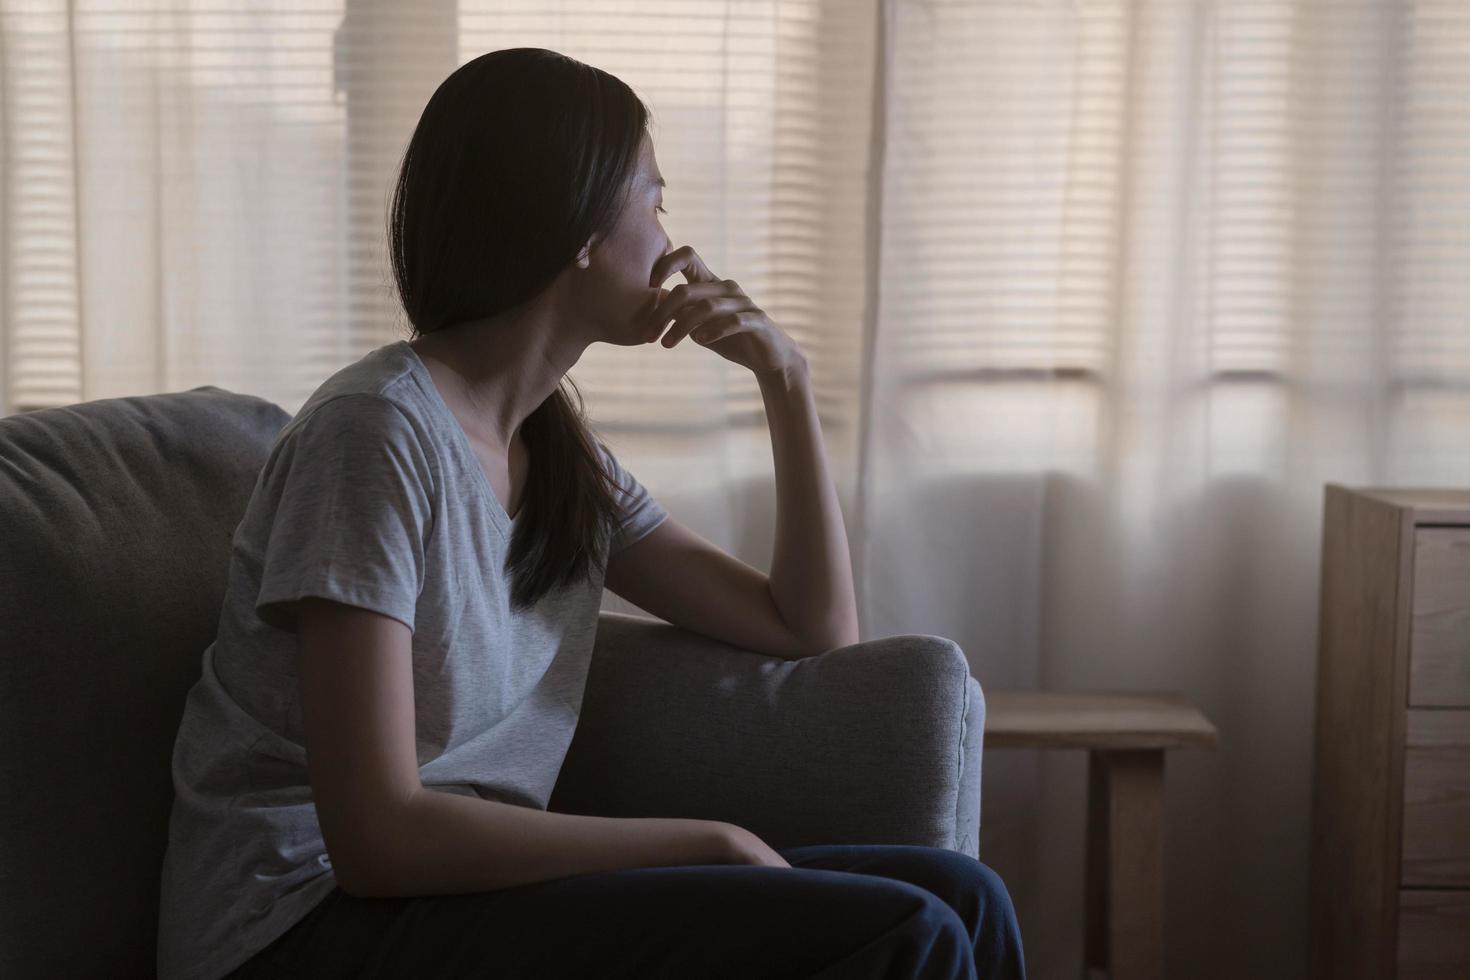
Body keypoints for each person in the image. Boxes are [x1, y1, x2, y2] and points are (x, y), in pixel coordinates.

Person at [156, 46, 1026, 980]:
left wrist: (787, 380)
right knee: (912, 935)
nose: (669, 240)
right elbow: (377, 836)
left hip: (457, 903)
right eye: (652, 202)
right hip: (299, 924)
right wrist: (700, 844)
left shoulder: (560, 458)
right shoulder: (373, 436)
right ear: (575, 229)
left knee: (961, 895)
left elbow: (809, 627)